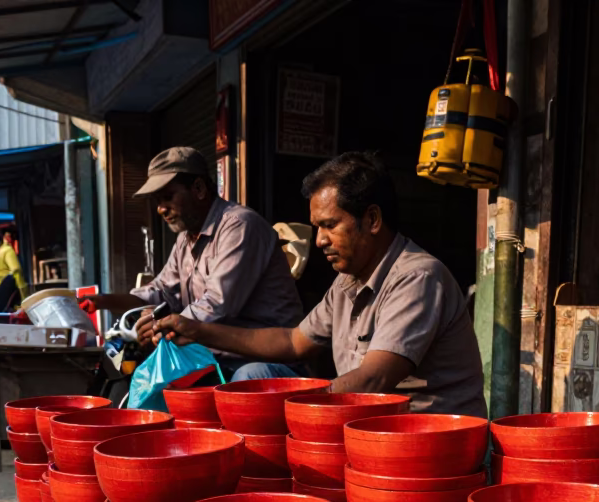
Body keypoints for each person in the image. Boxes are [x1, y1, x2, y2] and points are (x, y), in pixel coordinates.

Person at [152, 151, 486, 417]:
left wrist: (292, 403)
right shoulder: (346, 282)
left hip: (425, 440)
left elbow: (374, 378)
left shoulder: (417, 277)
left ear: (372, 219)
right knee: (253, 377)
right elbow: (292, 342)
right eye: (317, 228)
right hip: (370, 425)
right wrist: (197, 330)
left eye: (330, 226)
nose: (320, 240)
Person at [81, 147, 303, 379]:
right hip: (214, 360)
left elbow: (216, 305)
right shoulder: (185, 240)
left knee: (246, 378)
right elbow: (161, 293)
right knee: (138, 373)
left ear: (198, 188)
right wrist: (102, 301)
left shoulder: (240, 226)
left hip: (264, 362)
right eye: (157, 201)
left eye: (168, 197)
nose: (161, 209)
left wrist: (160, 325)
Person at [0, 227, 26, 309]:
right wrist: (24, 296)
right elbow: (16, 271)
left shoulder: (2, 250)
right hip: (0, 291)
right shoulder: (7, 250)